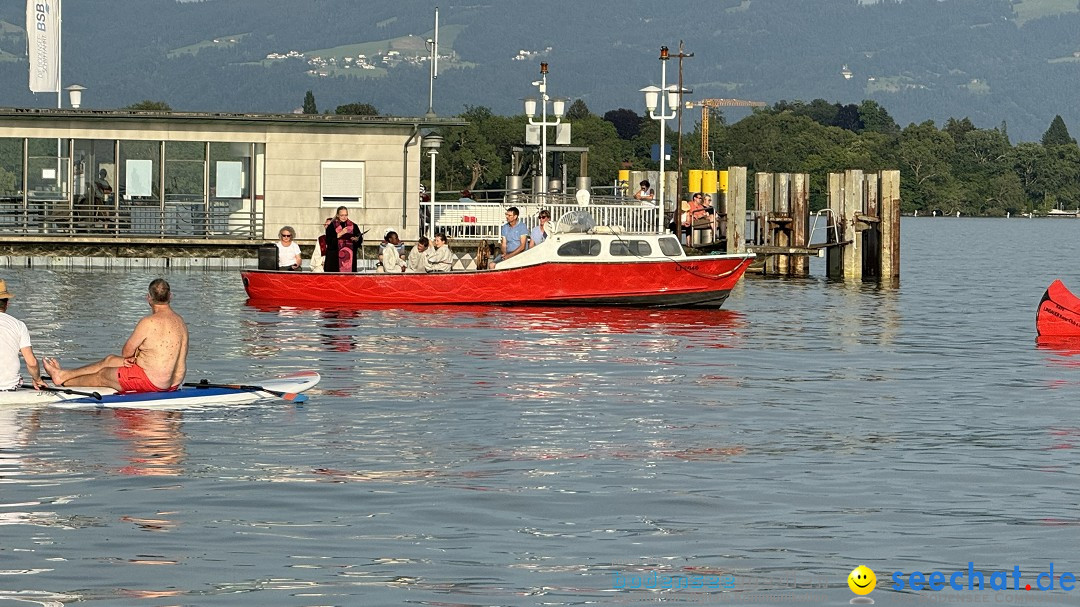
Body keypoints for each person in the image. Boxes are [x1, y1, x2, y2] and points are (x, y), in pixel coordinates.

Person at [43, 279, 188, 393]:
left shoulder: (148, 322)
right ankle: (64, 374)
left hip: (154, 382)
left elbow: (126, 353)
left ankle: (63, 382)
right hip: (174, 382)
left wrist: (133, 357)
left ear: (148, 298)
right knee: (110, 360)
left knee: (104, 374)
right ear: (170, 296)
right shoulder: (180, 321)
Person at [0, 280, 44, 390]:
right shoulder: (19, 325)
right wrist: (37, 379)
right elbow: (32, 363)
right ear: (7, 304)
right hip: (9, 387)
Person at [324, 206, 363, 273]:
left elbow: (359, 240)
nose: (344, 217)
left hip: (349, 259)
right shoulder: (331, 226)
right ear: (337, 215)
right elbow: (329, 242)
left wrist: (356, 239)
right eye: (342, 215)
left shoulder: (353, 226)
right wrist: (340, 234)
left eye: (346, 215)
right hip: (334, 260)